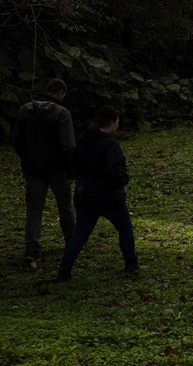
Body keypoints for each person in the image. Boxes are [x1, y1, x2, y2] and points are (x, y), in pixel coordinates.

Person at [57, 105, 140, 281]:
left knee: (79, 235)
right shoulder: (110, 144)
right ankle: (131, 264)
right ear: (111, 123)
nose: (118, 126)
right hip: (109, 196)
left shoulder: (84, 140)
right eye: (117, 122)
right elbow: (113, 170)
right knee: (125, 228)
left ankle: (64, 271)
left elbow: (75, 164)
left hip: (86, 195)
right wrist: (124, 179)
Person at [11, 78, 76, 267]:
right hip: (57, 168)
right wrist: (71, 170)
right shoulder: (62, 113)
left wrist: (26, 157)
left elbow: (16, 140)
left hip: (32, 168)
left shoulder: (24, 110)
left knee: (34, 208)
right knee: (65, 206)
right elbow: (68, 145)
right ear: (60, 93)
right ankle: (72, 241)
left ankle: (32, 248)